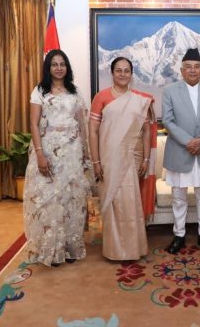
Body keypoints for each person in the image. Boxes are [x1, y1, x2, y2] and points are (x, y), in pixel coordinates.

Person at [23, 49, 91, 267]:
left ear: (67, 67)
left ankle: (70, 247)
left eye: (62, 64)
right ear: (48, 68)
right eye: (54, 64)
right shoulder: (39, 91)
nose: (59, 68)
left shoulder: (75, 91)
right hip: (48, 151)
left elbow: (82, 124)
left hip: (72, 152)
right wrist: (40, 154)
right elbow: (34, 124)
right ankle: (51, 249)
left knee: (72, 199)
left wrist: (85, 153)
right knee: (50, 200)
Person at [88, 57, 156, 261]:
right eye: (119, 70)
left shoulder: (139, 100)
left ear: (131, 74)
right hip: (109, 159)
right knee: (114, 203)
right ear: (112, 73)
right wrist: (96, 162)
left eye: (127, 71)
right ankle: (114, 250)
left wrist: (146, 159)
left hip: (131, 158)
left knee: (130, 203)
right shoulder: (101, 97)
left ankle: (134, 249)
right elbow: (93, 131)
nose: (123, 74)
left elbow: (146, 131)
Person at [162, 48, 200, 254]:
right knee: (178, 197)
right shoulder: (170, 91)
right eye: (188, 67)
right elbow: (168, 121)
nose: (193, 70)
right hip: (180, 151)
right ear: (181, 70)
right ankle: (179, 235)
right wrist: (189, 142)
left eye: (197, 67)